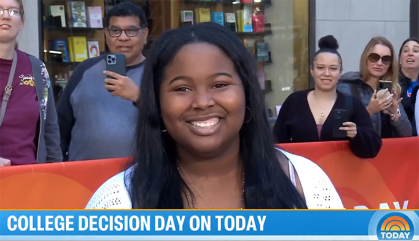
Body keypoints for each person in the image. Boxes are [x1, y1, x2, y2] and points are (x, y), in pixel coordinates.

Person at [85, 22, 344, 209]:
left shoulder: (307, 183)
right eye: (182, 88)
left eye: (219, 85)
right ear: (158, 102)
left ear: (246, 92)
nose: (202, 102)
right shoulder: (116, 201)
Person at [57, 2, 148, 161]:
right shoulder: (84, 70)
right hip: (83, 177)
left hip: (138, 177)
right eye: (115, 30)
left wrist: (139, 98)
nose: (123, 37)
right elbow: (59, 127)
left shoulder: (157, 74)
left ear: (145, 34)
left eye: (131, 30)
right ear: (106, 35)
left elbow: (170, 127)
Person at [273, 35, 381, 158]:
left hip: (340, 175)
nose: (326, 74)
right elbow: (276, 142)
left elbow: (373, 147)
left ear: (340, 72)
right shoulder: (294, 102)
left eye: (333, 68)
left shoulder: (352, 104)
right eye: (320, 68)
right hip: (300, 174)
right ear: (312, 70)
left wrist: (357, 133)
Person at [0, 0, 61, 166]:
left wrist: (55, 173)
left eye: (13, 11)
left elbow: (50, 130)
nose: (5, 16)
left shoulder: (37, 68)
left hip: (30, 181)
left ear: (21, 24)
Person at [338, 36, 412, 138]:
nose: (379, 63)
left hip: (387, 152)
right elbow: (341, 130)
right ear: (366, 58)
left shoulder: (390, 88)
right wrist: (370, 111)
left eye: (386, 59)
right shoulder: (347, 86)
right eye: (374, 57)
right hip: (358, 152)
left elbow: (407, 134)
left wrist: (395, 113)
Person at [398, 38, 419, 136]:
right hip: (397, 142)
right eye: (405, 51)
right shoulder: (389, 83)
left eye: (416, 51)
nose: (410, 54)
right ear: (399, 60)